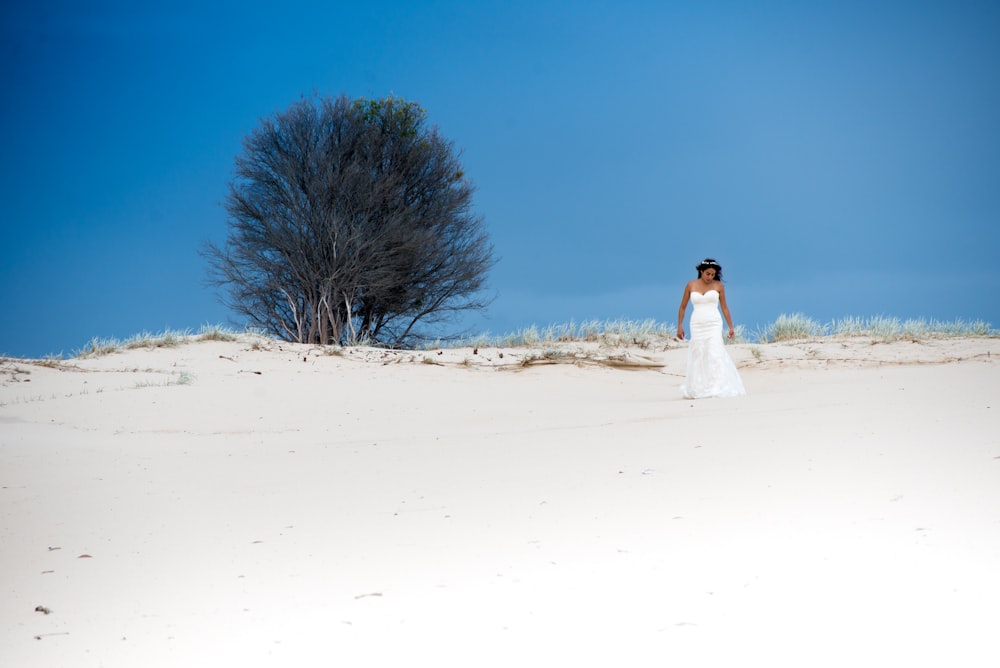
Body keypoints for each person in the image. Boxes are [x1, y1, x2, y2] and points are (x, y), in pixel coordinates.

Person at [676, 258, 746, 399]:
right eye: (708, 274)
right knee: (699, 353)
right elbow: (683, 306)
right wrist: (679, 325)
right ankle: (699, 386)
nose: (710, 277)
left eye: (713, 275)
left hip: (714, 322)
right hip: (697, 323)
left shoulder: (718, 286)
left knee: (714, 351)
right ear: (701, 271)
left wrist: (731, 326)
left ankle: (717, 386)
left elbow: (725, 308)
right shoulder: (691, 285)